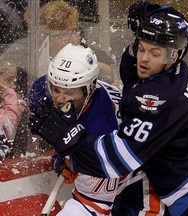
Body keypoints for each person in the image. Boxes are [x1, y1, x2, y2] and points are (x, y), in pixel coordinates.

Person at [29, 5, 188, 216]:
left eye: (154, 53)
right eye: (141, 48)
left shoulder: (157, 99)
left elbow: (116, 161)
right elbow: (176, 32)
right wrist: (156, 14)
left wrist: (69, 141)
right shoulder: (168, 68)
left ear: (173, 56)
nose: (144, 59)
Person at [29, 43, 122, 215]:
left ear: (90, 88)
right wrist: (62, 155)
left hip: (128, 179)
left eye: (70, 92)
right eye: (56, 89)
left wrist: (74, 159)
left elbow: (96, 202)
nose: (60, 99)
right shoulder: (43, 93)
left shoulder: (101, 125)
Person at [0, 65, 27, 161]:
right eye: (9, 80)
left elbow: (8, 127)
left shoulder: (13, 102)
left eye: (15, 81)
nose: (14, 86)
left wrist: (8, 93)